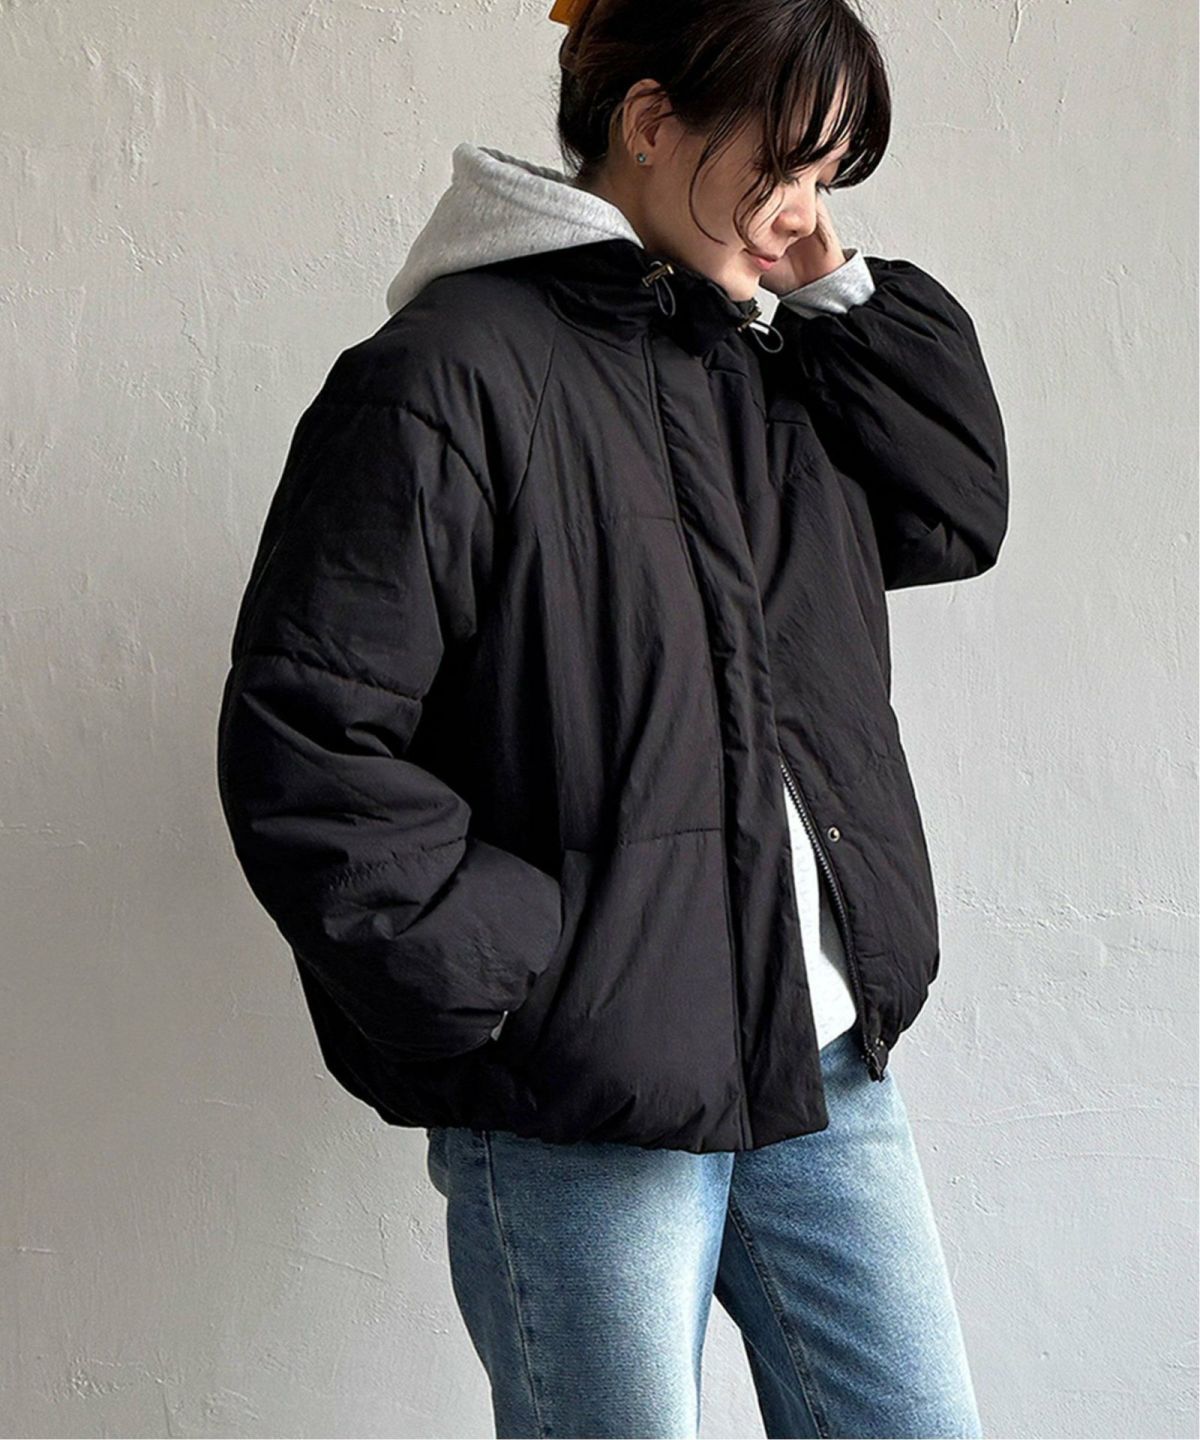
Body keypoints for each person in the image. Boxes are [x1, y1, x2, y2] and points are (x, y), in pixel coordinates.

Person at [215, 0, 1009, 1434]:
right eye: (783, 168)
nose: (801, 213)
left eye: (828, 178)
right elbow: (310, 738)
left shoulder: (769, 368)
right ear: (650, 122)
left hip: (820, 1069)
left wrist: (829, 282)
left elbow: (953, 510)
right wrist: (522, 979)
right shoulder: (447, 377)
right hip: (587, 1105)